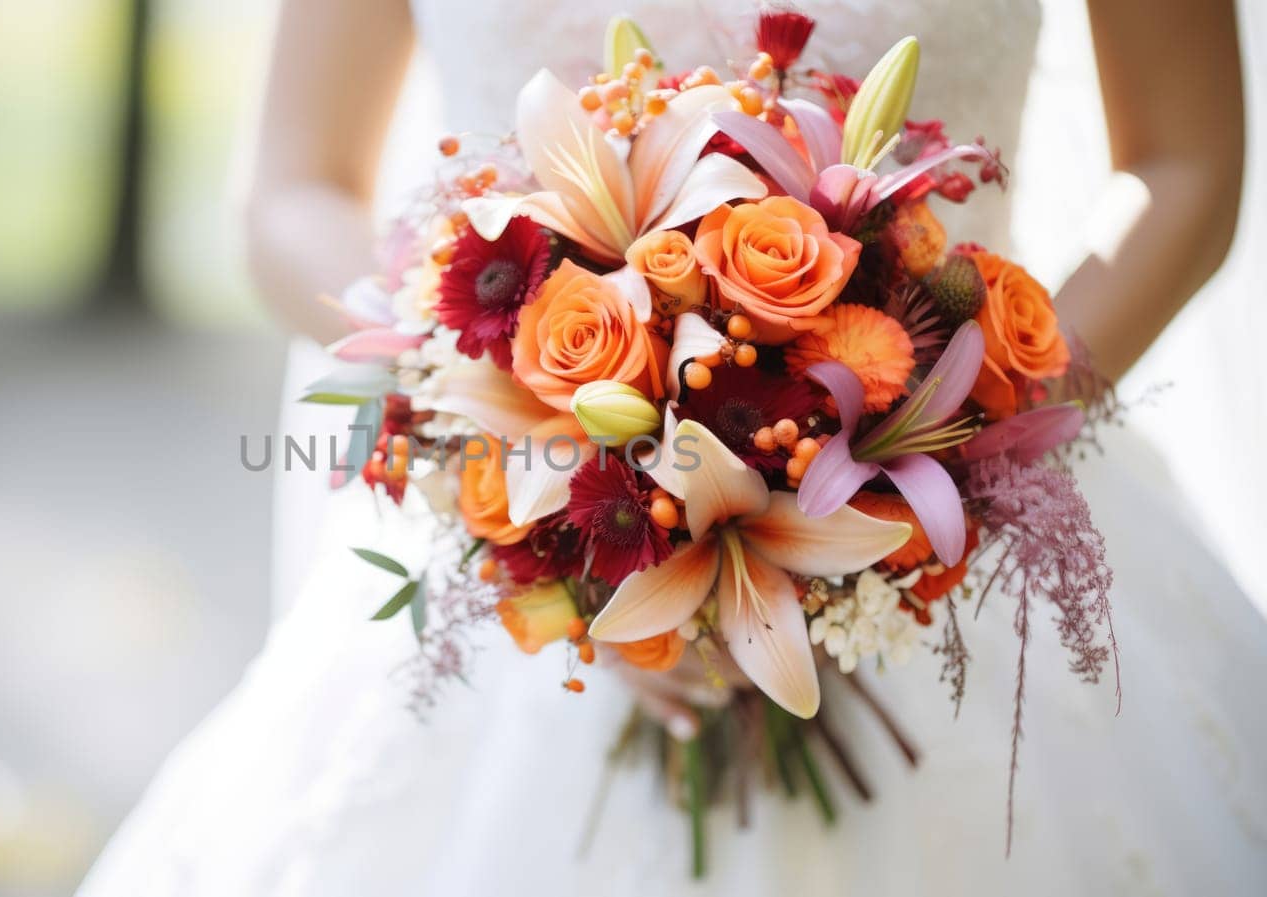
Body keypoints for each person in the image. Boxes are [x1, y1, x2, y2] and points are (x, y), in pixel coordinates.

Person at [80, 1, 1266, 894]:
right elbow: (293, 191)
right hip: (522, 516)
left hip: (965, 510)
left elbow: (1186, 160)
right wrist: (516, 439)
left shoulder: (959, 457)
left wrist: (971, 434)